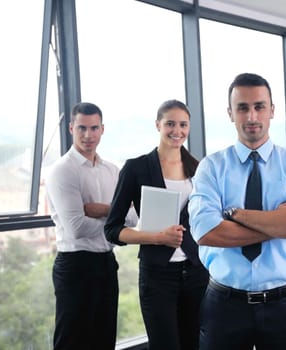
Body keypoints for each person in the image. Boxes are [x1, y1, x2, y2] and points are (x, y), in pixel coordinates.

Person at [188, 73, 286, 350]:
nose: (252, 116)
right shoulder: (211, 167)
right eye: (242, 108)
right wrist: (278, 222)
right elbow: (206, 231)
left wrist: (236, 215)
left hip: (285, 305)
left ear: (272, 111)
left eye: (260, 106)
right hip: (224, 306)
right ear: (230, 113)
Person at [104, 100, 209, 350]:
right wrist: (157, 238)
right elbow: (112, 229)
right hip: (157, 276)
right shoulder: (136, 168)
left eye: (183, 124)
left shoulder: (200, 169)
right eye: (170, 123)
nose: (177, 130)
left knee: (195, 344)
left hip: (196, 272)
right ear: (157, 125)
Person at [46, 102, 136, 350]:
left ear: (102, 129)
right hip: (75, 265)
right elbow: (76, 227)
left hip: (106, 263)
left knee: (104, 339)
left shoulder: (112, 171)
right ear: (71, 128)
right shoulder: (62, 171)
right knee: (72, 342)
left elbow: (134, 218)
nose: (88, 135)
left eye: (94, 128)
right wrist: (115, 216)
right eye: (82, 128)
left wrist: (104, 210)